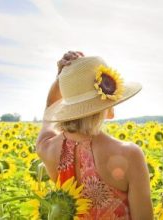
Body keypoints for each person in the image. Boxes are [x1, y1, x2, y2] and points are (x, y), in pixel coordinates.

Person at [36, 51, 153, 219]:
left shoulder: (47, 148)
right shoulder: (129, 155)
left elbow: (49, 110)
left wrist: (61, 79)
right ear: (108, 103)